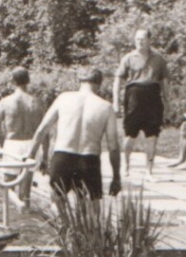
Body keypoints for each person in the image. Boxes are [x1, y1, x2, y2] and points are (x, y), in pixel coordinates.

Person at [29, 67, 122, 204]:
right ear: (99, 83)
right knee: (89, 213)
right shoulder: (106, 107)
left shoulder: (63, 98)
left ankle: (63, 225)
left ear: (79, 81)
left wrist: (32, 156)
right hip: (89, 161)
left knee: (58, 204)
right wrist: (116, 177)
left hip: (63, 157)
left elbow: (42, 130)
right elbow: (113, 147)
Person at [0, 67, 47, 209]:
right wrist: (46, 157)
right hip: (32, 146)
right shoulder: (37, 102)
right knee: (26, 193)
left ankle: (14, 216)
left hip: (13, 146)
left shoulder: (5, 102)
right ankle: (25, 218)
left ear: (12, 81)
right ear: (28, 81)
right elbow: (44, 132)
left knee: (8, 187)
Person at [114, 28, 168, 180]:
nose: (139, 42)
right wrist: (115, 102)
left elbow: (165, 82)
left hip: (153, 97)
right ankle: (125, 166)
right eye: (137, 39)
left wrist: (168, 102)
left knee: (152, 135)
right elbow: (118, 79)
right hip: (134, 97)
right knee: (130, 134)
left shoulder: (159, 58)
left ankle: (149, 171)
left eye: (143, 39)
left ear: (149, 40)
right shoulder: (129, 58)